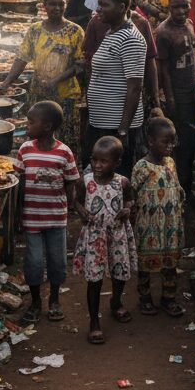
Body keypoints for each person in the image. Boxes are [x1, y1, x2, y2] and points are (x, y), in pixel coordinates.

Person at [14, 100, 80, 325]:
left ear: (47, 127)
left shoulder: (64, 152)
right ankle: (35, 302)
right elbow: (20, 183)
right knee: (33, 262)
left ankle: (54, 299)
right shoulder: (25, 150)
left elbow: (71, 183)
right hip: (31, 218)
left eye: (31, 122)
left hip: (56, 218)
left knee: (57, 262)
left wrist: (69, 207)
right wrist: (18, 216)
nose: (27, 125)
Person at [0, 0, 83, 155]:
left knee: (64, 140)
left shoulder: (75, 32)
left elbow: (79, 65)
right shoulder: (35, 30)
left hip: (65, 96)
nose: (57, 8)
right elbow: (22, 58)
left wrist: (55, 80)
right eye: (52, 4)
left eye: (61, 4)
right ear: (44, 5)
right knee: (39, 140)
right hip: (39, 94)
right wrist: (6, 82)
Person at [74, 135, 136, 344]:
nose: (97, 165)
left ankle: (116, 302)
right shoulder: (85, 182)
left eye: (103, 161)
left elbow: (130, 200)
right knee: (95, 279)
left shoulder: (122, 182)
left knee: (120, 272)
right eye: (94, 160)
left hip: (117, 234)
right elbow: (76, 201)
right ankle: (94, 322)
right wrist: (81, 211)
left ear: (117, 162)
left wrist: (127, 209)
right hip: (94, 237)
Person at [85, 0, 147, 177]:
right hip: (103, 122)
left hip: (116, 127)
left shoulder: (131, 39)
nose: (99, 9)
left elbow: (135, 87)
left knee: (116, 178)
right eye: (99, 4)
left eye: (105, 5)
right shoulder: (112, 32)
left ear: (121, 7)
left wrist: (123, 131)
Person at [132, 116, 185, 317]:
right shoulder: (141, 167)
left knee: (170, 263)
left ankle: (168, 298)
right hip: (148, 225)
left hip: (170, 224)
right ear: (151, 141)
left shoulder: (170, 162)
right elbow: (133, 193)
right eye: (166, 142)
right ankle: (145, 298)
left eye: (173, 141)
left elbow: (177, 187)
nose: (170, 146)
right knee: (145, 264)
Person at [155, 0, 195, 192]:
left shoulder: (189, 24)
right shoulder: (164, 33)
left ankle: (187, 180)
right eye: (175, 7)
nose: (181, 11)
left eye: (185, 6)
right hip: (177, 94)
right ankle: (180, 185)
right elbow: (163, 69)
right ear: (168, 8)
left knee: (190, 138)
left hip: (191, 89)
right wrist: (170, 98)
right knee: (180, 142)